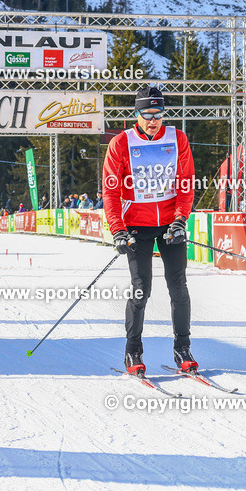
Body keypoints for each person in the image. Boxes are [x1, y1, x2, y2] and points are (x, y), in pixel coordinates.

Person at [103, 85, 196, 377]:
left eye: (158, 113)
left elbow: (185, 183)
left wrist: (181, 220)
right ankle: (133, 350)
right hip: (136, 227)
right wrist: (117, 229)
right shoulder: (121, 143)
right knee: (141, 288)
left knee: (178, 287)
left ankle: (183, 348)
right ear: (137, 114)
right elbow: (110, 191)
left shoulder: (178, 138)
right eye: (147, 114)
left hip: (170, 224)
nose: (153, 119)